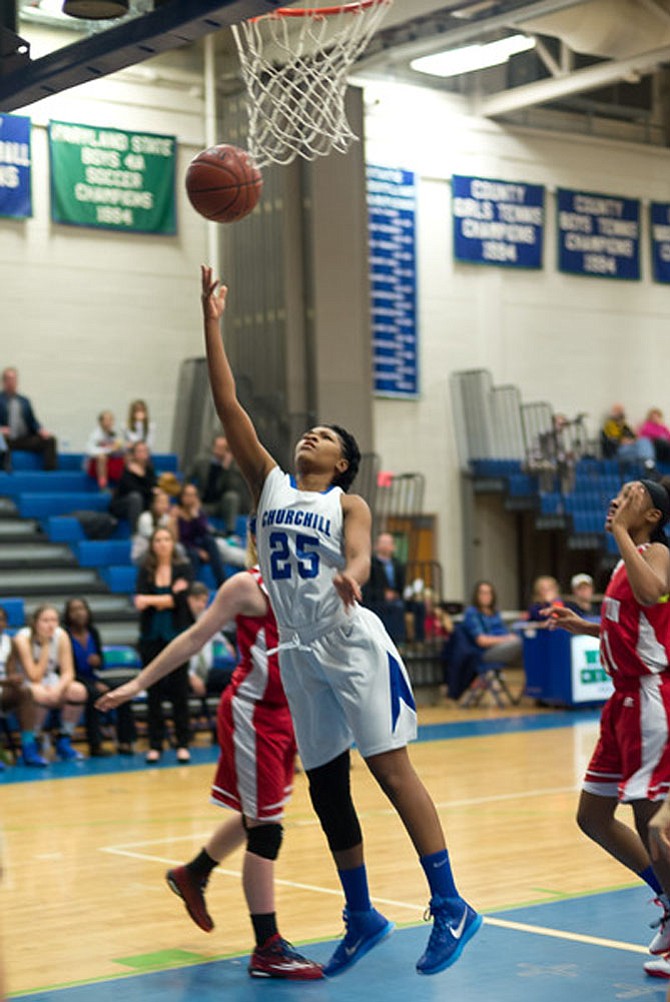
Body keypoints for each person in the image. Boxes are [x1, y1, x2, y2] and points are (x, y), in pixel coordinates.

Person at [200, 264, 481, 978]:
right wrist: (211, 324)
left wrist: (355, 575)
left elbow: (357, 555)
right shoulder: (269, 483)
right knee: (327, 789)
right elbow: (229, 402)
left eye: (324, 436)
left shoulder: (345, 503)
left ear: (344, 462)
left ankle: (450, 904)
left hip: (350, 642)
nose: (309, 437)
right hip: (297, 652)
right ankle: (361, 914)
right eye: (308, 432)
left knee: (390, 769)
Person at [96, 552, 323, 980]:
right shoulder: (246, 586)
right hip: (251, 713)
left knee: (257, 816)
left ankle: (193, 873)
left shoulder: (311, 583)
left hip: (288, 713)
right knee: (267, 827)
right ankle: (267, 947)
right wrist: (139, 684)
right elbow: (193, 638)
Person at [546, 477, 670, 978]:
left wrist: (619, 531)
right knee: (593, 816)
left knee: (651, 823)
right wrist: (584, 626)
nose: (617, 500)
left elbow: (653, 591)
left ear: (654, 515)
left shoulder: (657, 552)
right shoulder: (628, 556)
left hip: (648, 699)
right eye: (617, 494)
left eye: (631, 495)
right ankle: (666, 898)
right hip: (619, 704)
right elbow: (638, 621)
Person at [135, 527, 193, 763]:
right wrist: (166, 599)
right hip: (151, 638)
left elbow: (179, 600)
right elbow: (139, 602)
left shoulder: (184, 568)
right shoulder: (145, 571)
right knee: (154, 693)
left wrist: (155, 600)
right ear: (152, 545)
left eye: (166, 539)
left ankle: (182, 743)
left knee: (180, 692)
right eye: (158, 540)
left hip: (178, 638)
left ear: (173, 543)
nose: (162, 544)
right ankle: (155, 744)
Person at [62, 597, 136, 756]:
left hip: (92, 676)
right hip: (74, 679)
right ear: (68, 615)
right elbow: (66, 669)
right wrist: (93, 683)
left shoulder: (93, 632)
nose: (79, 613)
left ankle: (126, 741)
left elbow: (101, 662)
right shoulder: (65, 635)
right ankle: (95, 744)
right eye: (74, 610)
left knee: (123, 691)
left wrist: (98, 661)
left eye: (82, 608)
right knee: (93, 694)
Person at [13, 605, 87, 761]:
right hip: (26, 682)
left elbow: (68, 672)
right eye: (45, 620)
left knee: (79, 691)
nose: (50, 624)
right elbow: (34, 676)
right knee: (40, 694)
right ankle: (34, 741)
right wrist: (46, 645)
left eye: (54, 620)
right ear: (35, 623)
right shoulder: (22, 637)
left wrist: (58, 689)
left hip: (51, 679)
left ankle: (64, 740)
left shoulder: (61, 635)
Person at [0, 607, 48, 767]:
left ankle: (28, 749)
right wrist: (7, 681)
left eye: (1, 619)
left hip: (3, 690)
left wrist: (14, 678)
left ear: (6, 623)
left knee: (25, 693)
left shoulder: (9, 641)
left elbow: (11, 670)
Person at [187, 434, 251, 534]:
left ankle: (229, 531)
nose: (219, 451)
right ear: (213, 447)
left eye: (223, 448)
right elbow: (187, 479)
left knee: (232, 497)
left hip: (221, 505)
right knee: (190, 502)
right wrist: (194, 497)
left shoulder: (233, 467)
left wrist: (226, 470)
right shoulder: (201, 462)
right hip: (202, 502)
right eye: (217, 447)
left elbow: (234, 490)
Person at [184, 583, 235, 703]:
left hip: (206, 672)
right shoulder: (179, 622)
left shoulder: (206, 617)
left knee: (235, 677)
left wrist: (227, 643)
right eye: (198, 600)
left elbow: (216, 633)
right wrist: (190, 676)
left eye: (204, 601)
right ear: (189, 599)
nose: (201, 605)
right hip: (185, 674)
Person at [0, 366, 58, 471]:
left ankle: (50, 471)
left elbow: (32, 421)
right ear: (3, 381)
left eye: (14, 379)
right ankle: (5, 468)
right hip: (6, 438)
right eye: (9, 379)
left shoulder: (24, 401)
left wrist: (40, 430)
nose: (12, 382)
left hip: (24, 438)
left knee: (50, 440)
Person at [175, 483, 227, 587]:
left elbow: (204, 532)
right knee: (193, 555)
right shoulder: (176, 514)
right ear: (182, 497)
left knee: (210, 540)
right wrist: (199, 551)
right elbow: (180, 539)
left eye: (193, 495)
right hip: (186, 547)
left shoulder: (199, 513)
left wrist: (195, 515)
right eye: (188, 495)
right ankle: (191, 586)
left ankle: (222, 582)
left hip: (200, 544)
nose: (190, 498)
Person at [461, 581, 523, 666]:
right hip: (486, 651)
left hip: (503, 644)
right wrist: (507, 638)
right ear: (476, 595)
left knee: (528, 636)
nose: (486, 596)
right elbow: (482, 641)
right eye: (483, 593)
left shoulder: (494, 612)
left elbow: (504, 630)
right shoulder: (472, 613)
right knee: (523, 643)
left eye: (489, 593)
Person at [361, 531, 407, 643]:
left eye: (388, 543)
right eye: (383, 543)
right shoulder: (370, 564)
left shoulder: (398, 565)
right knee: (394, 608)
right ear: (377, 546)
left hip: (395, 599)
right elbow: (366, 588)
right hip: (376, 601)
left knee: (416, 606)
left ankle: (410, 641)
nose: (386, 546)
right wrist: (383, 594)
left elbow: (401, 586)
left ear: (393, 547)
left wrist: (395, 594)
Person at [109, 440, 157, 532]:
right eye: (139, 451)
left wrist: (142, 476)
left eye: (145, 450)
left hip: (142, 503)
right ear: (134, 454)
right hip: (122, 504)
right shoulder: (128, 469)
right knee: (136, 497)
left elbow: (154, 486)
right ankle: (135, 532)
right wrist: (149, 488)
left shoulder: (149, 469)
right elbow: (135, 489)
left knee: (159, 497)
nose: (143, 453)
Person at [130, 488, 180, 566]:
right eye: (161, 502)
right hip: (143, 554)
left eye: (166, 503)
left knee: (179, 548)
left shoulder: (167, 518)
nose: (164, 505)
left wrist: (173, 522)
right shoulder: (145, 517)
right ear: (153, 504)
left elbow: (175, 539)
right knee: (161, 548)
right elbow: (155, 539)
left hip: (161, 552)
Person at [601, 403, 655, 469]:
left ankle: (648, 468)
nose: (620, 413)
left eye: (621, 411)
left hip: (630, 450)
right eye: (617, 411)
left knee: (644, 441)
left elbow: (635, 438)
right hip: (618, 452)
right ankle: (650, 468)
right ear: (613, 413)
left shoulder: (625, 426)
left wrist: (635, 435)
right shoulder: (609, 425)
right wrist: (626, 441)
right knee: (643, 449)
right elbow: (615, 440)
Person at [84, 410, 125, 490]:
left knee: (127, 457)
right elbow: (89, 450)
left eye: (111, 420)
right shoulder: (95, 435)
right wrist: (109, 450)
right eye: (106, 420)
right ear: (100, 422)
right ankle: (103, 486)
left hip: (112, 460)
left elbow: (120, 449)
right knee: (102, 457)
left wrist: (119, 448)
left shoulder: (115, 434)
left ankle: (123, 486)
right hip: (96, 464)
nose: (109, 422)